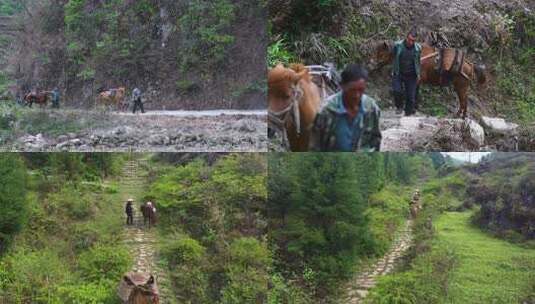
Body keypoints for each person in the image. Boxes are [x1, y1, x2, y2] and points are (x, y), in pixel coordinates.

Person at [309, 64, 382, 152]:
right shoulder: (326, 111)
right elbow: (315, 147)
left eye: (361, 90)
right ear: (342, 86)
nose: (356, 95)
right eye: (352, 90)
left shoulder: (371, 108)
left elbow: (376, 141)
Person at [392, 29, 422, 116]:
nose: (410, 42)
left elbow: (418, 62)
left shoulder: (418, 48)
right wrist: (393, 70)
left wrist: (418, 74)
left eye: (413, 40)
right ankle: (399, 107)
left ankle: (407, 114)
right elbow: (393, 57)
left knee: (411, 97)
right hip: (399, 72)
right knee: (397, 91)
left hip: (411, 75)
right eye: (409, 39)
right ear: (406, 37)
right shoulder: (398, 45)